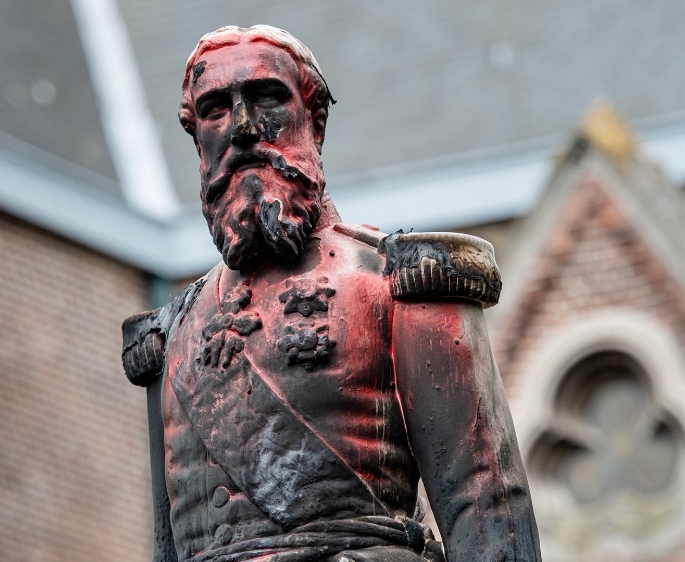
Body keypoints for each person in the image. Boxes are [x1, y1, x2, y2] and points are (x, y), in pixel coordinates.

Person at [122, 25, 541, 562]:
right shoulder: (168, 336)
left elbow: (484, 506)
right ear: (197, 136)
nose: (244, 128)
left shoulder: (399, 283)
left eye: (267, 98)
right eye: (215, 109)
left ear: (314, 122)